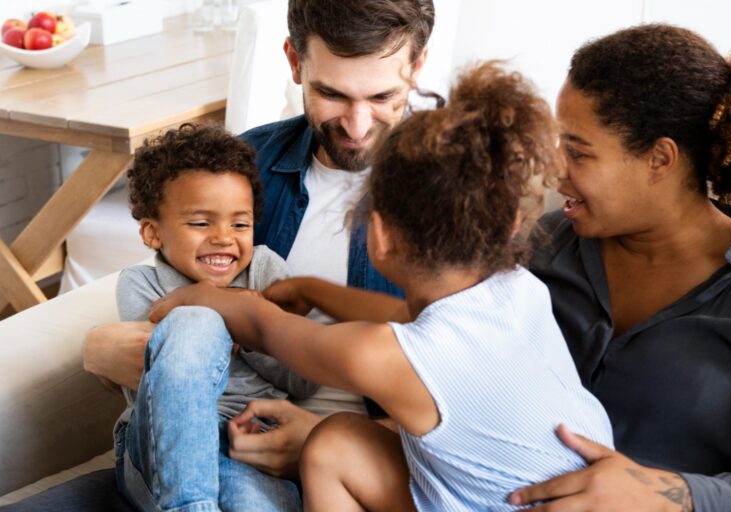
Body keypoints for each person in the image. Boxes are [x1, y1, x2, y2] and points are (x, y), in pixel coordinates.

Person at [149, 61, 614, 511]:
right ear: (510, 226)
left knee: (330, 441)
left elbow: (268, 328)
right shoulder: (516, 287)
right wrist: (313, 290)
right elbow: (406, 319)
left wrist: (206, 297)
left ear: (380, 235)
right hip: (569, 488)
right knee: (340, 439)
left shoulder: (383, 358)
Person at [66, 0, 434, 510]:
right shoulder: (242, 167)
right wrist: (100, 351)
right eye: (331, 94)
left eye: (382, 96)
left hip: (356, 472)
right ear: (295, 62)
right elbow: (164, 307)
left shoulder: (458, 199)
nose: (356, 125)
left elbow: (483, 390)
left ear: (417, 66)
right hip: (186, 456)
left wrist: (328, 442)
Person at [507, 25, 731, 512]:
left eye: (577, 152)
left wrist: (671, 496)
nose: (555, 170)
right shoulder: (547, 243)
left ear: (659, 159)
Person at [114, 124, 320, 511]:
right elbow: (158, 373)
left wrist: (251, 327)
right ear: (153, 233)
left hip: (252, 439)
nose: (224, 237)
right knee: (194, 322)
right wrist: (240, 315)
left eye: (240, 224)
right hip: (161, 438)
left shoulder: (266, 270)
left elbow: (304, 380)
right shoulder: (140, 283)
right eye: (200, 223)